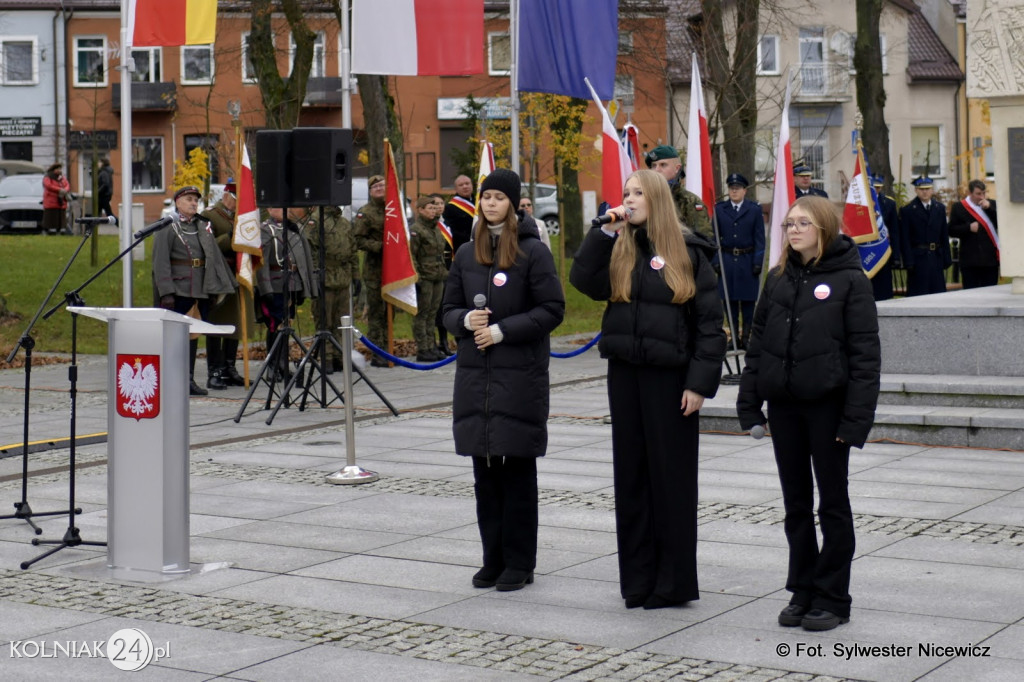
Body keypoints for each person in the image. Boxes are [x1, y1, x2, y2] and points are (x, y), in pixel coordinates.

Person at [570, 169, 726, 610]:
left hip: (671, 380)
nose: (629, 199)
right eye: (625, 193)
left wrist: (699, 384)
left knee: (670, 481)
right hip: (626, 375)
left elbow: (710, 327)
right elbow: (583, 282)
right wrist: (602, 233)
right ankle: (637, 581)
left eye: (638, 193)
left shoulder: (688, 250)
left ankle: (672, 583)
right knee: (632, 480)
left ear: (656, 199)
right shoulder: (619, 247)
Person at [737, 195, 880, 632]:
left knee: (832, 504)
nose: (793, 230)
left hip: (829, 409)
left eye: (802, 223)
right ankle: (802, 588)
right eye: (788, 224)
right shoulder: (779, 278)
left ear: (823, 227)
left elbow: (865, 357)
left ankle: (833, 596)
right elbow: (758, 344)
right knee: (795, 505)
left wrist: (855, 421)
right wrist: (749, 403)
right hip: (785, 409)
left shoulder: (851, 280)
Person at [442, 168, 565, 593]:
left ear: (513, 202)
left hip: (519, 379)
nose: (491, 203)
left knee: (516, 475)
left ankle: (519, 561)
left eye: (499, 197)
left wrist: (502, 330)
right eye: (486, 196)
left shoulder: (533, 252)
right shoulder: (464, 254)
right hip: (477, 381)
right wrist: (464, 319)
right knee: (484, 477)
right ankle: (491, 558)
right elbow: (447, 310)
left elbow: (552, 309)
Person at [152, 186, 238, 396]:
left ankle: (188, 379)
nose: (193, 203)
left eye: (195, 200)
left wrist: (215, 287)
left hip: (199, 289)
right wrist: (166, 292)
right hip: (178, 289)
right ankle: (172, 380)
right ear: (178, 202)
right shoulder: (168, 227)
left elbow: (213, 257)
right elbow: (160, 262)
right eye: (189, 199)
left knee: (192, 336)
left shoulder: (202, 226)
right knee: (174, 338)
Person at [255, 207, 319, 381]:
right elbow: (261, 263)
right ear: (268, 209)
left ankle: (282, 364)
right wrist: (265, 287)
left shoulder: (293, 228)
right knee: (276, 325)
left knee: (287, 323)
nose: (282, 210)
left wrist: (306, 284)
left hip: (293, 282)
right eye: (277, 207)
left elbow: (304, 258)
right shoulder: (265, 230)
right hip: (275, 284)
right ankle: (272, 366)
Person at [200, 180, 249, 388]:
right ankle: (215, 370)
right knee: (216, 325)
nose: (237, 205)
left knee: (234, 323)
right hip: (219, 275)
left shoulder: (241, 218)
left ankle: (230, 367)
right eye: (236, 200)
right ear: (226, 196)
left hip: (237, 275)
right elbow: (208, 245)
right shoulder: (210, 216)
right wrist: (230, 237)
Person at [303, 204, 359, 373]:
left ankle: (340, 356)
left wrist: (356, 276)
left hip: (342, 277)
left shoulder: (344, 223)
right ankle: (326, 358)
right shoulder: (316, 220)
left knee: (341, 321)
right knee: (324, 321)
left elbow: (353, 250)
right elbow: (310, 250)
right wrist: (314, 276)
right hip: (325, 277)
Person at [713, 173, 765, 349]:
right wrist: (715, 260)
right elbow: (713, 238)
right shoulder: (719, 209)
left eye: (737, 188)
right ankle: (734, 339)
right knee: (730, 302)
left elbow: (760, 238)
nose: (734, 191)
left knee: (748, 301)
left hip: (747, 259)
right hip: (727, 260)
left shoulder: (754, 209)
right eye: (731, 188)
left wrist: (758, 261)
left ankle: (746, 338)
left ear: (744, 190)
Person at [352, 175, 389, 367]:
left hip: (393, 269)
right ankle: (378, 353)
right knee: (376, 313)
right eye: (376, 187)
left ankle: (388, 349)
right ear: (370, 191)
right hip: (376, 269)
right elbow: (358, 240)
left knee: (390, 312)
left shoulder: (393, 210)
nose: (380, 189)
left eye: (382, 185)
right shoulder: (365, 213)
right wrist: (380, 246)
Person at [643, 145, 713, 240]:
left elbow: (704, 241)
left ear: (677, 168)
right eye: (653, 166)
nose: (657, 170)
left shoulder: (689, 201)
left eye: (663, 165)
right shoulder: (644, 199)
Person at [409, 196, 448, 361]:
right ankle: (423, 348)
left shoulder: (435, 228)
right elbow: (412, 256)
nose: (434, 210)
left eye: (435, 208)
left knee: (432, 313)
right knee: (422, 314)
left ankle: (431, 346)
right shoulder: (417, 230)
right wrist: (416, 277)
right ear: (421, 210)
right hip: (424, 277)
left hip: (438, 275)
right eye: (430, 208)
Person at [899, 177, 951, 296]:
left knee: (938, 294)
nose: (925, 192)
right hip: (918, 259)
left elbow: (944, 235)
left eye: (927, 189)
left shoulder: (939, 208)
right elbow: (905, 239)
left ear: (932, 190)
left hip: (936, 257)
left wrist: (946, 257)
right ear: (916, 190)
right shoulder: (908, 210)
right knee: (919, 294)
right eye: (921, 189)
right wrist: (909, 261)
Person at [948, 179, 999, 289]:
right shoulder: (959, 207)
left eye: (984, 193)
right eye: (978, 194)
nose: (982, 197)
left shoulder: (992, 204)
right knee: (972, 295)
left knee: (991, 293)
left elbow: (1001, 224)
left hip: (990, 261)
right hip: (970, 261)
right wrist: (968, 228)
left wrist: (989, 208)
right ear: (969, 193)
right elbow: (951, 230)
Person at [869, 174, 901, 301]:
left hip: (884, 249)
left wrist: (896, 256)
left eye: (878, 187)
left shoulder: (889, 203)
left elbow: (894, 231)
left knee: (884, 288)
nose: (876, 190)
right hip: (868, 249)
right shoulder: (860, 203)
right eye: (874, 187)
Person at [42, 163, 72, 235]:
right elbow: (49, 186)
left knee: (61, 216)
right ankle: (51, 230)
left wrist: (65, 190)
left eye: (60, 169)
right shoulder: (48, 177)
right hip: (51, 202)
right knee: (52, 216)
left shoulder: (61, 178)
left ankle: (62, 229)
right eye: (57, 169)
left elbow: (67, 184)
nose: (59, 170)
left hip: (61, 201)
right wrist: (59, 190)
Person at [97, 157, 116, 222]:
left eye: (99, 162)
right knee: (98, 212)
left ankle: (119, 224)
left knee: (108, 213)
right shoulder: (105, 172)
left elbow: (105, 184)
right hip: (105, 195)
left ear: (102, 163)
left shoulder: (104, 172)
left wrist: (98, 191)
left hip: (103, 195)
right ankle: (92, 228)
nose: (98, 164)